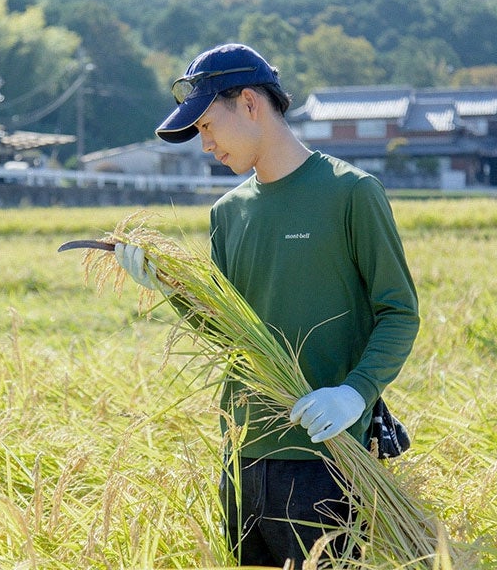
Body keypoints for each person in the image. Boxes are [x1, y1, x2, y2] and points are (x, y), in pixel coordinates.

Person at [115, 43, 420, 566]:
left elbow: (399, 313)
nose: (206, 144)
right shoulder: (228, 213)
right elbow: (229, 332)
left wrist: (354, 394)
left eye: (208, 125)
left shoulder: (351, 193)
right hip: (242, 456)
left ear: (250, 104)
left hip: (327, 457)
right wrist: (170, 289)